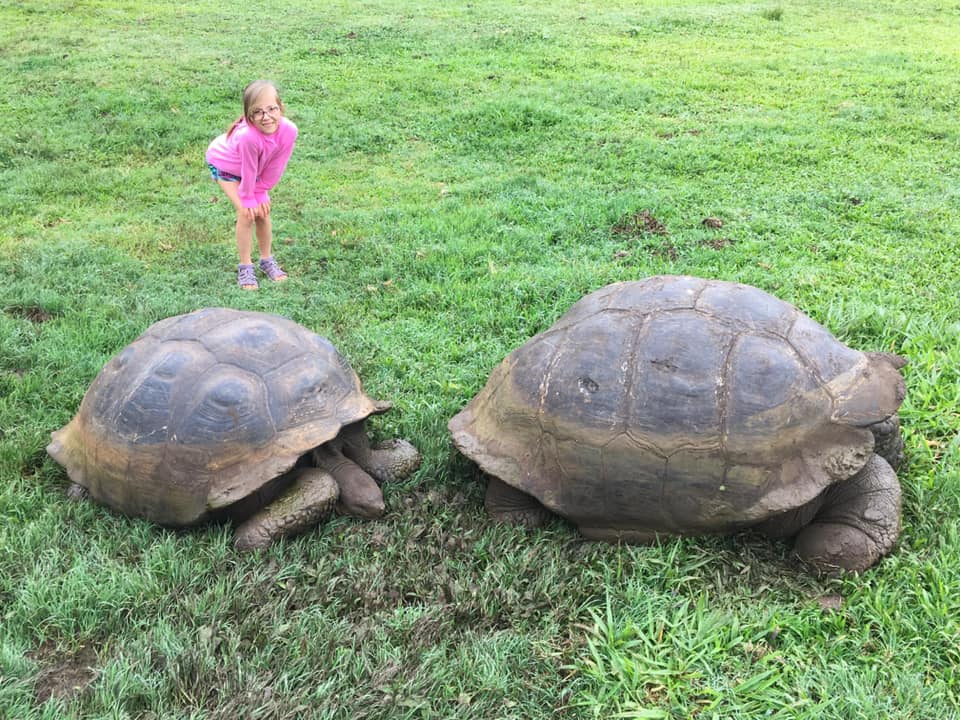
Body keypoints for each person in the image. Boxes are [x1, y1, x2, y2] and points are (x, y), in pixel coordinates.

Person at [206, 80, 298, 290]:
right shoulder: (248, 137)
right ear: (249, 117)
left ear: (281, 108)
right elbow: (248, 170)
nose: (266, 117)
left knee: (263, 213)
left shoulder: (289, 131)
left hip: (250, 171)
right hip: (225, 166)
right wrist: (248, 198)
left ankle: (267, 260)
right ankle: (246, 266)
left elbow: (276, 166)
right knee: (247, 213)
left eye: (272, 109)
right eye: (258, 112)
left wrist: (261, 191)